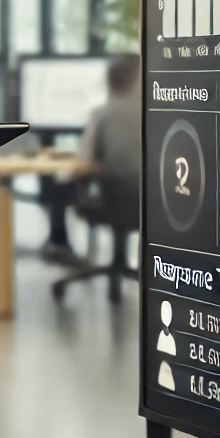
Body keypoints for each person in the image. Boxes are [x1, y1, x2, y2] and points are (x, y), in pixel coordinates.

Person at [77, 54, 142, 298]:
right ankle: (121, 265)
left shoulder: (102, 114)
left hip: (113, 203)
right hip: (154, 207)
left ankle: (116, 266)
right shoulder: (156, 111)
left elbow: (84, 162)